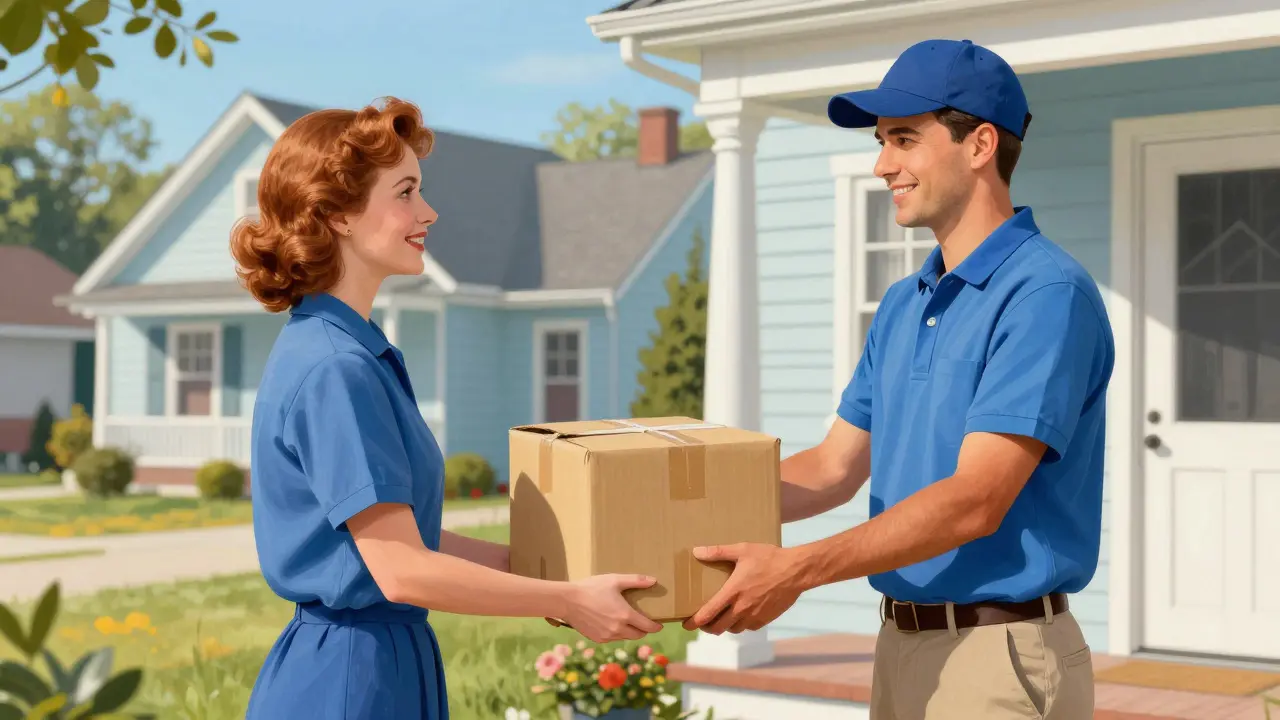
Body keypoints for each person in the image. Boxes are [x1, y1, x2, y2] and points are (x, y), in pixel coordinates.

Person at [682, 39, 1114, 719]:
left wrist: (797, 569)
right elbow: (833, 468)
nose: (883, 165)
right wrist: (683, 510)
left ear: (980, 145)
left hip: (997, 655)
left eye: (904, 140)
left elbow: (977, 500)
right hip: (899, 646)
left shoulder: (1044, 295)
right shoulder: (904, 304)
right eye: (882, 142)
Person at [230, 97, 662, 720]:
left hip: (374, 662)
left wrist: (539, 575)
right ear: (337, 214)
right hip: (351, 679)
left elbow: (405, 538)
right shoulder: (336, 368)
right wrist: (568, 601)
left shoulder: (348, 351)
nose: (428, 212)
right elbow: (401, 570)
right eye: (405, 192)